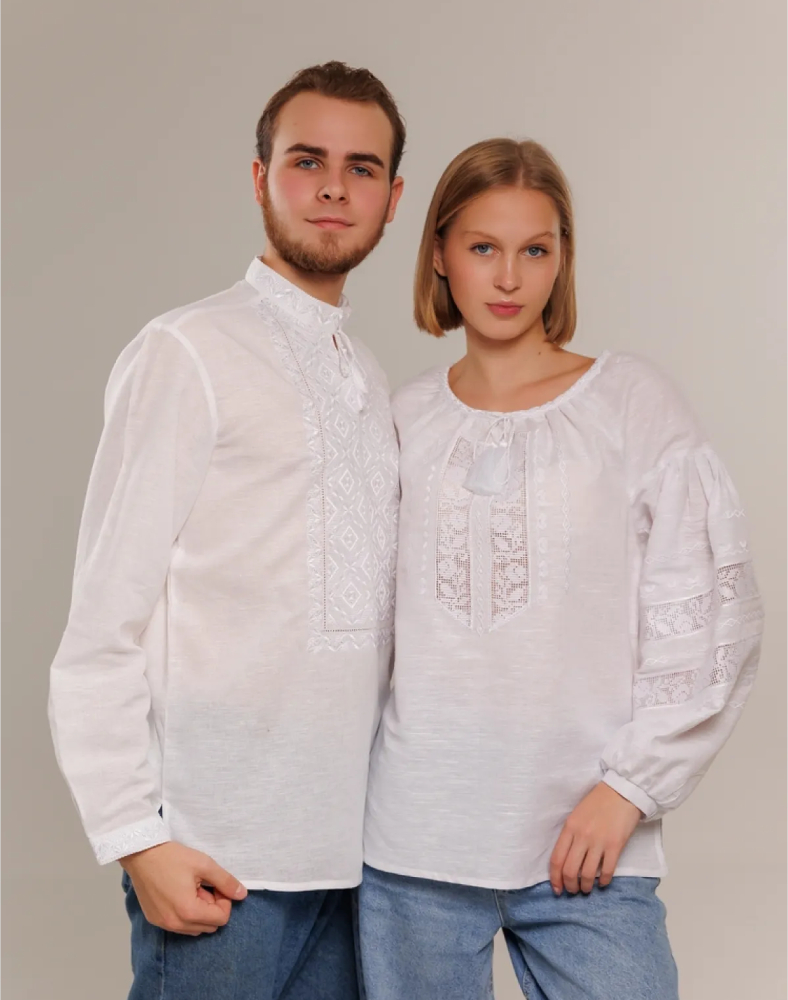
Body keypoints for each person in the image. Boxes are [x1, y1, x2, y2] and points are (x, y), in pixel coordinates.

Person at [359, 138, 763, 1000]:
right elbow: (362, 630)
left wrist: (630, 789)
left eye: (534, 250)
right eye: (482, 247)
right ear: (439, 253)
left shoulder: (630, 402)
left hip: (588, 838)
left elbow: (710, 612)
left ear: (562, 259)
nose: (508, 277)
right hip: (412, 843)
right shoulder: (404, 418)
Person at [48, 61, 404, 1000]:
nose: (334, 188)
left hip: (350, 858)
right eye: (307, 161)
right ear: (259, 178)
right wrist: (137, 838)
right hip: (216, 854)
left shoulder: (368, 378)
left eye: (362, 168)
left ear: (394, 198)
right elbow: (102, 622)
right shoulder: (189, 351)